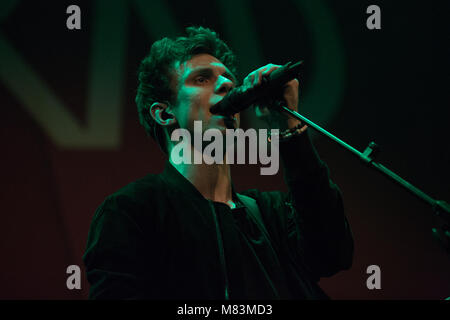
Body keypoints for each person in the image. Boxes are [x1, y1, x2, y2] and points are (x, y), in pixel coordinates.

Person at [82, 26, 354, 300]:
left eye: (229, 81)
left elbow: (333, 255)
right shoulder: (132, 211)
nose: (226, 85)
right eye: (201, 79)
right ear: (164, 113)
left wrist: (289, 125)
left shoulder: (272, 214)